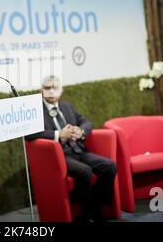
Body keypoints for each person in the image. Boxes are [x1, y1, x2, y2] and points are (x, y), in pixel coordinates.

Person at [26, 75, 117, 222]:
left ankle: (95, 207)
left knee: (109, 166)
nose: (51, 91)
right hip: (59, 156)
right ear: (41, 91)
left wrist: (81, 131)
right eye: (47, 88)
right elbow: (30, 133)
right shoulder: (35, 111)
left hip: (79, 150)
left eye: (54, 87)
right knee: (84, 171)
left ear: (61, 90)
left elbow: (86, 121)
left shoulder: (66, 106)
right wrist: (59, 135)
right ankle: (87, 215)